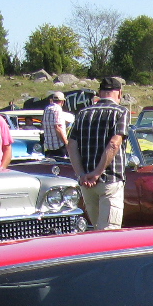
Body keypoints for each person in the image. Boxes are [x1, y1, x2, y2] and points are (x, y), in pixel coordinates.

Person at [66, 76, 129, 230]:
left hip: (87, 183)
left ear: (100, 93)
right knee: (109, 234)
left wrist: (81, 174)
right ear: (119, 93)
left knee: (96, 230)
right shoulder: (121, 112)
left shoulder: (82, 113)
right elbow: (114, 143)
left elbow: (71, 145)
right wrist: (97, 173)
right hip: (109, 179)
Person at [40, 90, 69, 158]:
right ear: (62, 101)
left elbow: (43, 125)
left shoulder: (47, 109)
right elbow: (57, 127)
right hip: (59, 146)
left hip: (49, 146)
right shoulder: (58, 109)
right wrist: (66, 143)